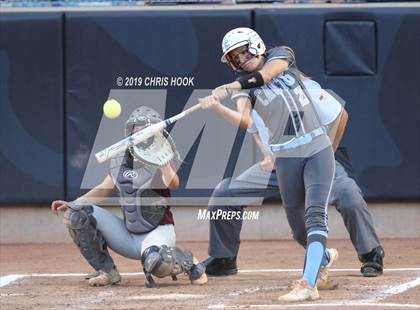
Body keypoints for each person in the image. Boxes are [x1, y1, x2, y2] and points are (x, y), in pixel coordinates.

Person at [199, 27, 341, 302]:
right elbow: (244, 121)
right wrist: (217, 105)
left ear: (256, 45)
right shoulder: (243, 87)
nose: (240, 60)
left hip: (317, 149)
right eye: (234, 57)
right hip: (285, 158)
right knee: (299, 229)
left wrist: (230, 87)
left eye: (242, 52)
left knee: (314, 216)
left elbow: (265, 75)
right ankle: (322, 257)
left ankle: (308, 284)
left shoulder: (281, 55)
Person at [204, 100, 384, 280]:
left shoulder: (298, 86)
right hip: (281, 163)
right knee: (225, 194)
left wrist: (329, 149)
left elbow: (341, 114)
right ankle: (224, 258)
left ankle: (370, 252)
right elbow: (253, 126)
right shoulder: (254, 93)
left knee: (347, 194)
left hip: (317, 160)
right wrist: (268, 155)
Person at [51, 106, 207, 288]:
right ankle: (107, 271)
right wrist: (73, 203)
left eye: (145, 129)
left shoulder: (163, 156)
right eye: (136, 128)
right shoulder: (121, 160)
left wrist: (165, 166)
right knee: (76, 213)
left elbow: (174, 184)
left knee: (157, 264)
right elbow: (103, 189)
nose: (140, 132)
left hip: (158, 232)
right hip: (127, 234)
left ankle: (188, 260)